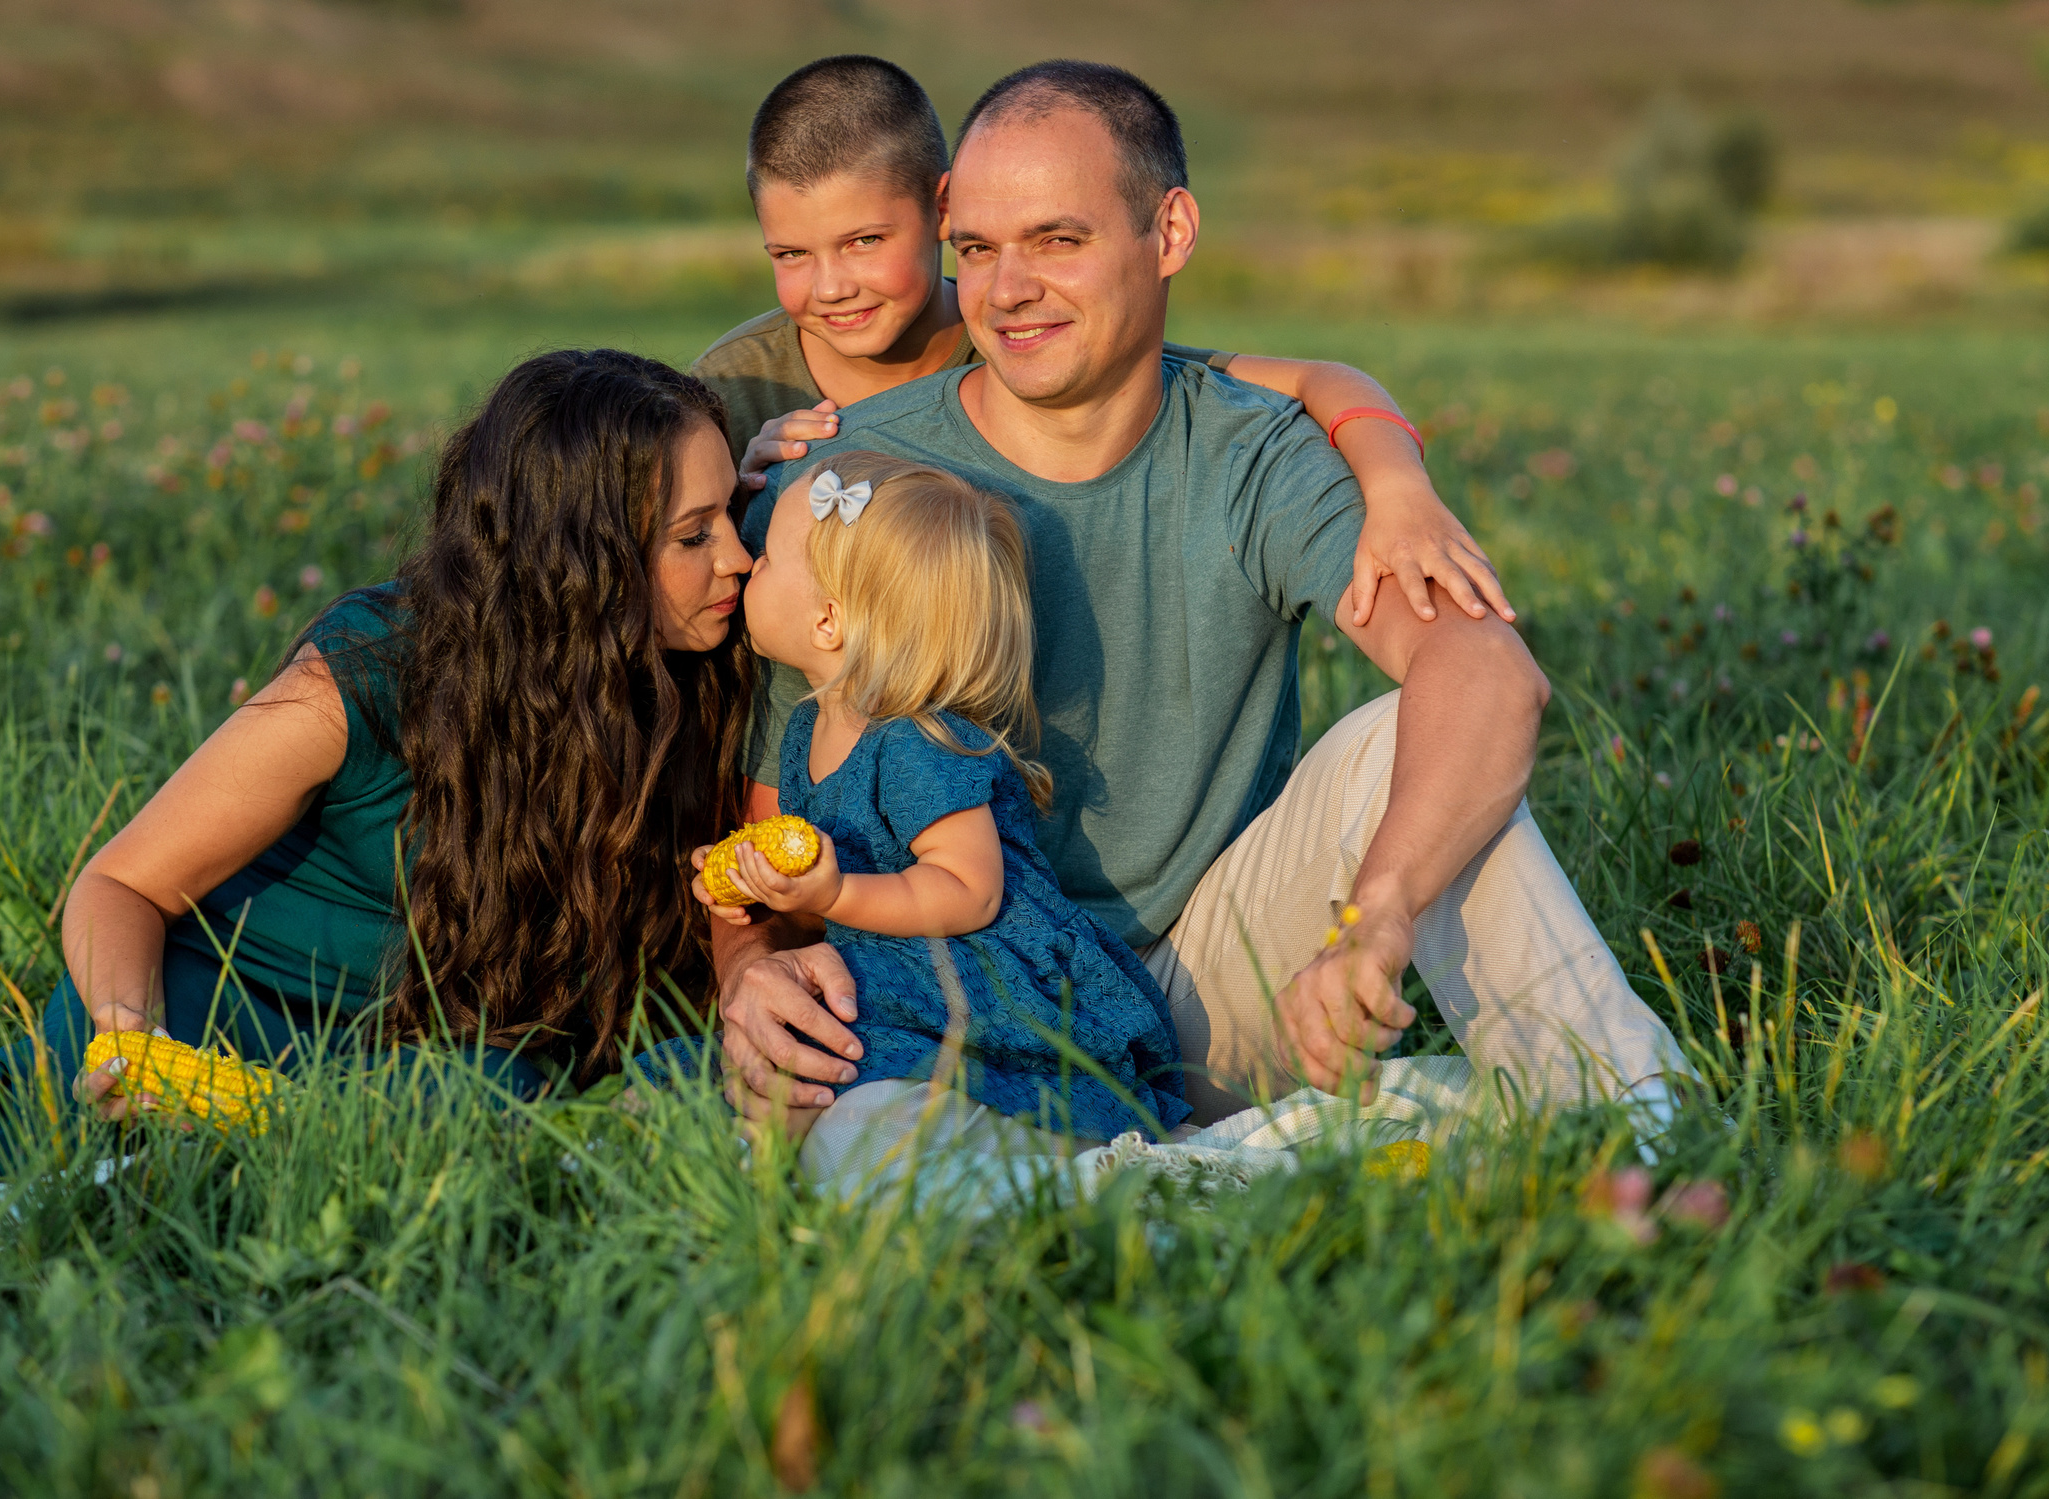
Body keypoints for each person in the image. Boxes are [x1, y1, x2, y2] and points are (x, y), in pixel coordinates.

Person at [711, 60, 1693, 1146]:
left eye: (1057, 240)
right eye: (977, 250)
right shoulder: (851, 480)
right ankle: (1241, 1166)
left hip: (1206, 994)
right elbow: (770, 817)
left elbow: (1488, 673)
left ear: (1170, 232)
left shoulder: (1249, 450)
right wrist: (750, 971)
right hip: (947, 1004)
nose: (1007, 289)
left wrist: (1378, 917)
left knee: (1402, 740)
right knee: (860, 1148)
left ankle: (1640, 1131)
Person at [0, 350, 757, 1182]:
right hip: (227, 1018)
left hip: (422, 1058)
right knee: (20, 1142)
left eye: (731, 519)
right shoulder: (365, 679)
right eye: (692, 535)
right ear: (578, 564)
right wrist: (133, 1046)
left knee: (494, 1105)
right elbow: (122, 883)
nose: (737, 560)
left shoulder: (705, 675)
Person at [695, 53, 1514, 633]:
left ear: (944, 210)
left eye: (864, 242)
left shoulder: (1018, 344)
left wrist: (1399, 488)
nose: (831, 286)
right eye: (789, 255)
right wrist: (741, 494)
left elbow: (1314, 380)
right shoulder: (734, 389)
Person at [705, 453, 1192, 1149]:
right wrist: (755, 876)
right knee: (776, 1043)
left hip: (987, 978)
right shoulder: (808, 728)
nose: (750, 567)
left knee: (828, 1049)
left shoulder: (915, 740)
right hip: (901, 970)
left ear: (828, 622)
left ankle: (793, 1145)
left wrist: (835, 894)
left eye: (769, 560)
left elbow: (970, 889)